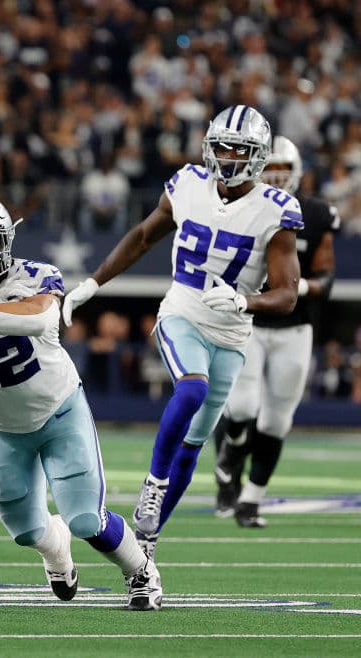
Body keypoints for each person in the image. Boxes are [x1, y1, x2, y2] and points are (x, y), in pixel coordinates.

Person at [62, 105, 302, 559]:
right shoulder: (188, 183)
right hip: (183, 312)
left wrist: (244, 300)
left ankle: (147, 542)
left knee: (193, 445)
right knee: (192, 390)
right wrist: (92, 283)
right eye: (222, 146)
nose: (228, 156)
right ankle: (154, 482)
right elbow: (142, 237)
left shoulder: (276, 210)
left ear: (258, 156)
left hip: (231, 334)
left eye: (240, 149)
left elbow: (287, 295)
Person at [0, 192, 162, 611]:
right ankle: (57, 553)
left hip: (58, 411)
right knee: (27, 532)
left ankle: (140, 570)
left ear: (5, 242)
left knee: (86, 519)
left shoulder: (33, 275)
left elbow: (41, 316)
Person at [212, 135, 338, 527]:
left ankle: (251, 501)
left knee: (277, 421)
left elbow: (326, 277)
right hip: (248, 320)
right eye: (271, 168)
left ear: (298, 172)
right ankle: (229, 457)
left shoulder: (314, 213)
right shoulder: (239, 206)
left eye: (283, 168)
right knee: (243, 406)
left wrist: (301, 287)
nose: (277, 176)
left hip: (294, 327)